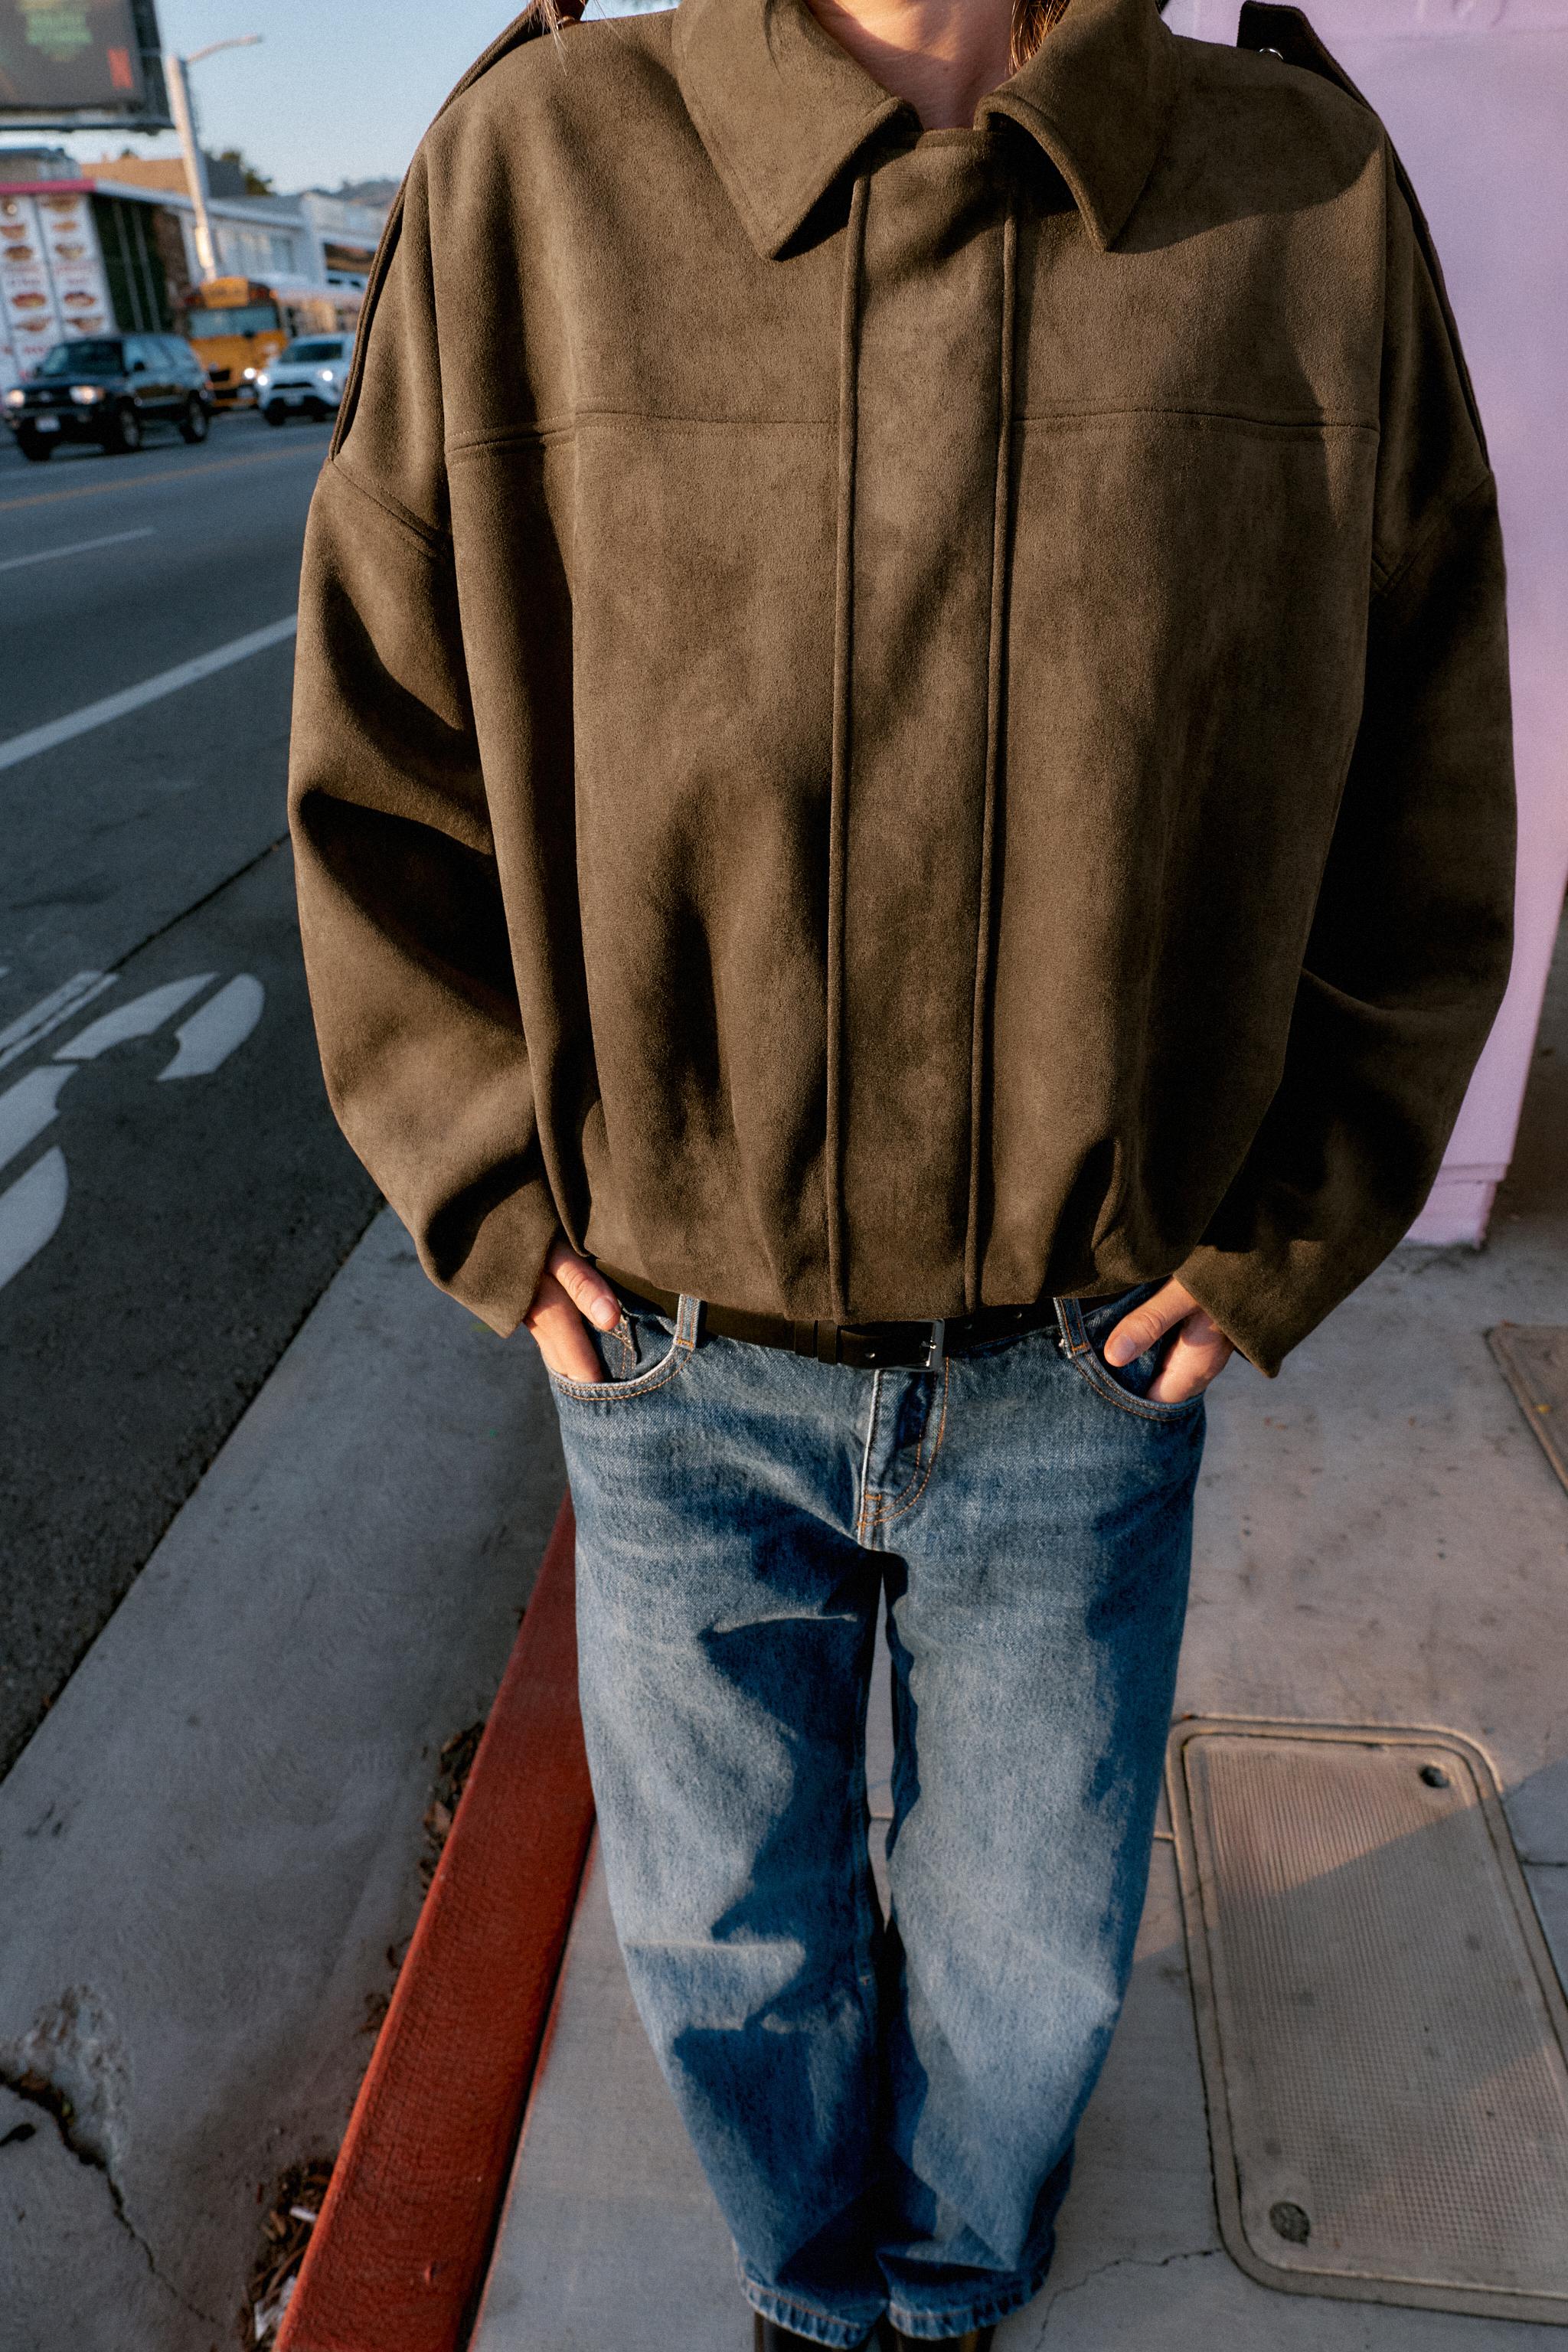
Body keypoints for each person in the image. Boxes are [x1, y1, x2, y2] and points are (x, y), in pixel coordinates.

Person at [288, 0, 1514, 2339]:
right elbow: (382, 741)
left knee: (1036, 1940)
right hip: (672, 1348)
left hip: (1085, 1363)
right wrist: (489, 1182)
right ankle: (802, 2282)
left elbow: (1425, 762)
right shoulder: (550, 167)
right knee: (723, 1932)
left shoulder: (1299, 195)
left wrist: (1293, 1222)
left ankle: (948, 2285)